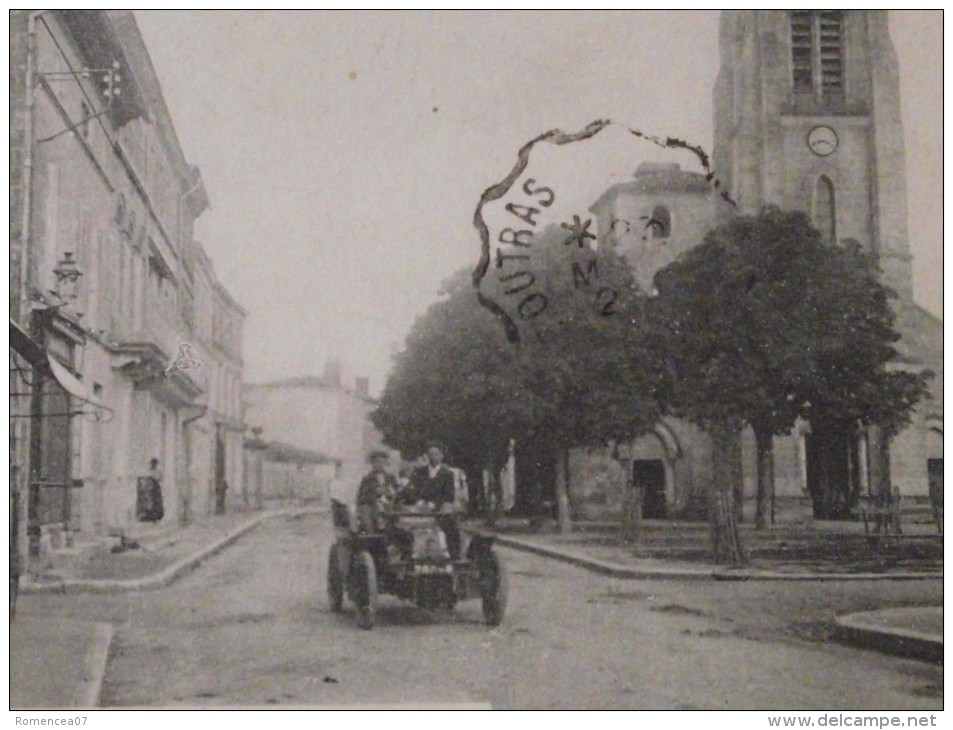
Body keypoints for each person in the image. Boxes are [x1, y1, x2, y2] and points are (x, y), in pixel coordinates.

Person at [407, 442, 460, 558]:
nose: (433, 457)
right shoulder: (419, 472)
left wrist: (435, 504)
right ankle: (413, 555)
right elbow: (413, 490)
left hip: (439, 509)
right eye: (430, 454)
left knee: (451, 528)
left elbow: (449, 495)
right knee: (410, 528)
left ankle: (453, 557)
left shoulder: (447, 474)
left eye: (436, 454)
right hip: (421, 509)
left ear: (441, 456)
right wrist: (419, 500)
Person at [356, 450, 400, 532]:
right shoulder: (367, 479)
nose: (380, 465)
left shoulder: (390, 477)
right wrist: (375, 495)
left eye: (383, 462)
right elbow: (362, 497)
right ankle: (371, 536)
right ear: (372, 464)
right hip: (372, 505)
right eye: (378, 462)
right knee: (367, 511)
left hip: (389, 505)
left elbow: (396, 492)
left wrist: (390, 493)